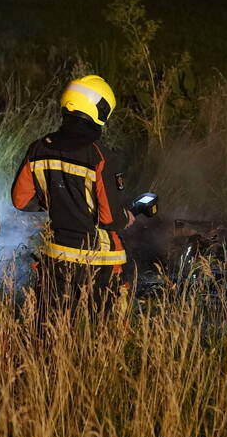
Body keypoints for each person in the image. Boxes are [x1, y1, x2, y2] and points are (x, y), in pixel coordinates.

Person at [11, 75, 136, 321]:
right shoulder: (99, 155)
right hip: (98, 259)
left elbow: (21, 200)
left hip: (56, 254)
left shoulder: (38, 148)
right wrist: (127, 218)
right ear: (100, 111)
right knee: (100, 331)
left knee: (49, 328)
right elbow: (110, 218)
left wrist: (56, 200)